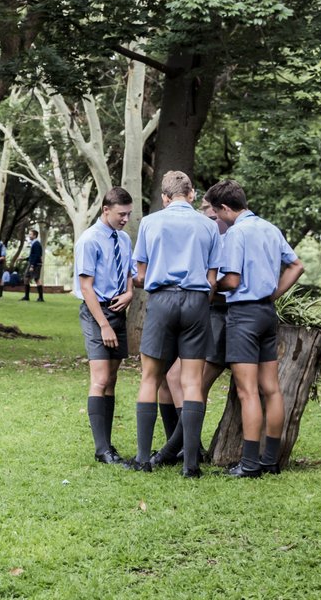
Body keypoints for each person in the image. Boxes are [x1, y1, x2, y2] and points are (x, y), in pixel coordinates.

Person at [208, 179, 304, 478]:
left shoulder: (237, 233)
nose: (216, 218)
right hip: (266, 312)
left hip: (244, 315)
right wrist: (274, 293)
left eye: (216, 212)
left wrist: (210, 284)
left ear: (225, 208)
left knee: (247, 391)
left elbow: (232, 280)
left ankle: (249, 464)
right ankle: (270, 460)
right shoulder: (270, 228)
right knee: (271, 390)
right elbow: (297, 266)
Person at [131, 171, 219, 477]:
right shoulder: (209, 226)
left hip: (162, 301)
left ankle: (143, 459)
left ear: (165, 198)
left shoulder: (150, 222)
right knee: (192, 382)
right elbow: (212, 279)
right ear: (192, 194)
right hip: (196, 302)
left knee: (150, 379)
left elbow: (140, 275)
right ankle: (190, 465)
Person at [74, 188, 136, 467]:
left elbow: (130, 274)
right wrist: (103, 325)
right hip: (96, 313)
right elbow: (86, 287)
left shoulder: (124, 239)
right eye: (121, 214)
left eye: (129, 214)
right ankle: (102, 450)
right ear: (106, 210)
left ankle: (107, 445)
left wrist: (130, 293)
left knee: (111, 380)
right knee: (99, 380)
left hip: (117, 311)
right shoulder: (89, 240)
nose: (125, 219)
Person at [22, 229, 44, 301]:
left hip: (36, 264)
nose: (29, 235)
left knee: (36, 279)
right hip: (33, 263)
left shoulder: (36, 244)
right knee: (26, 278)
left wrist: (32, 266)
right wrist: (24, 259)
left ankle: (40, 298)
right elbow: (32, 256)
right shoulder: (33, 243)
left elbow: (37, 256)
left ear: (34, 235)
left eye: (30, 234)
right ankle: (26, 296)